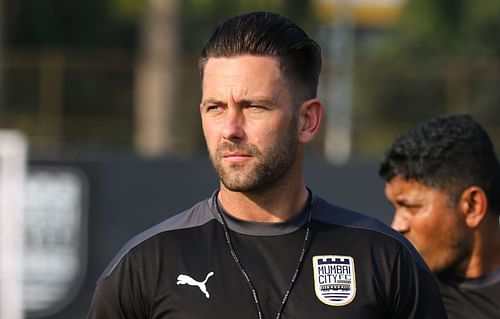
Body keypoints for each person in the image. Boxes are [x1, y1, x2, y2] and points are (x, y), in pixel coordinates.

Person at [88, 11, 447, 318]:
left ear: (308, 120)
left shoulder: (384, 259)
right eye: (215, 108)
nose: (230, 129)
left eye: (254, 107)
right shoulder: (146, 264)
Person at [379, 114, 500, 318]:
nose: (396, 226)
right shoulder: (391, 299)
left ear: (472, 206)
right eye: (395, 207)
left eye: (411, 207)